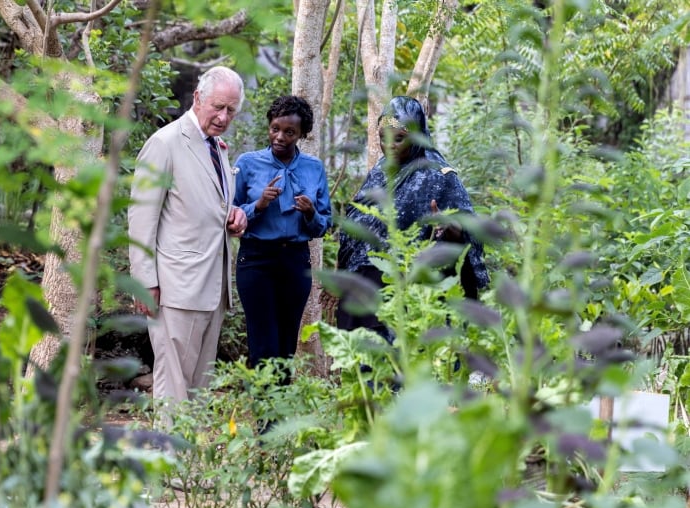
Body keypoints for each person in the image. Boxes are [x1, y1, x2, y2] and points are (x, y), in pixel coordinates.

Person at [128, 66, 248, 431]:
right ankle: (167, 467)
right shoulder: (165, 143)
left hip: (212, 286)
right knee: (173, 383)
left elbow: (204, 204)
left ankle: (188, 469)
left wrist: (234, 214)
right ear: (197, 98)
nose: (223, 117)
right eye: (218, 107)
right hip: (174, 286)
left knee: (199, 386)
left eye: (231, 110)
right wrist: (144, 281)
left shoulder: (217, 147)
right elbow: (141, 217)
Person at [324, 95, 489, 340]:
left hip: (409, 293)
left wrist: (451, 230)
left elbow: (469, 235)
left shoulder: (440, 176)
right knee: (363, 365)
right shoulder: (378, 173)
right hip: (363, 290)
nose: (389, 146)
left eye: (399, 138)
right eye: (383, 138)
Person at [233, 95, 333, 372]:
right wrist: (259, 205)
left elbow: (324, 224)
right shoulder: (248, 163)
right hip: (256, 260)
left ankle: (282, 412)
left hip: (295, 261)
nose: (280, 136)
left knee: (287, 342)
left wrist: (311, 212)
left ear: (302, 134)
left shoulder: (313, 168)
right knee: (263, 341)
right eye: (275, 128)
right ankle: (266, 414)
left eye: (290, 132)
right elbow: (229, 213)